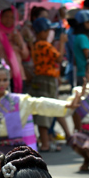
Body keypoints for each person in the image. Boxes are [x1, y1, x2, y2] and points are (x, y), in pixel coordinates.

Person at [0, 57, 79, 178]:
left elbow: (41, 103)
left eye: (5, 80)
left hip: (16, 145)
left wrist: (67, 105)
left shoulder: (19, 100)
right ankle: (4, 176)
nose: (2, 83)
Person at [30, 16, 68, 153]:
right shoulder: (44, 45)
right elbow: (59, 58)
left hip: (40, 79)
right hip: (46, 80)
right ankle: (45, 142)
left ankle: (48, 140)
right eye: (47, 30)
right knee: (46, 110)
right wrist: (62, 42)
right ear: (41, 32)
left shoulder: (35, 44)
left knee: (47, 108)